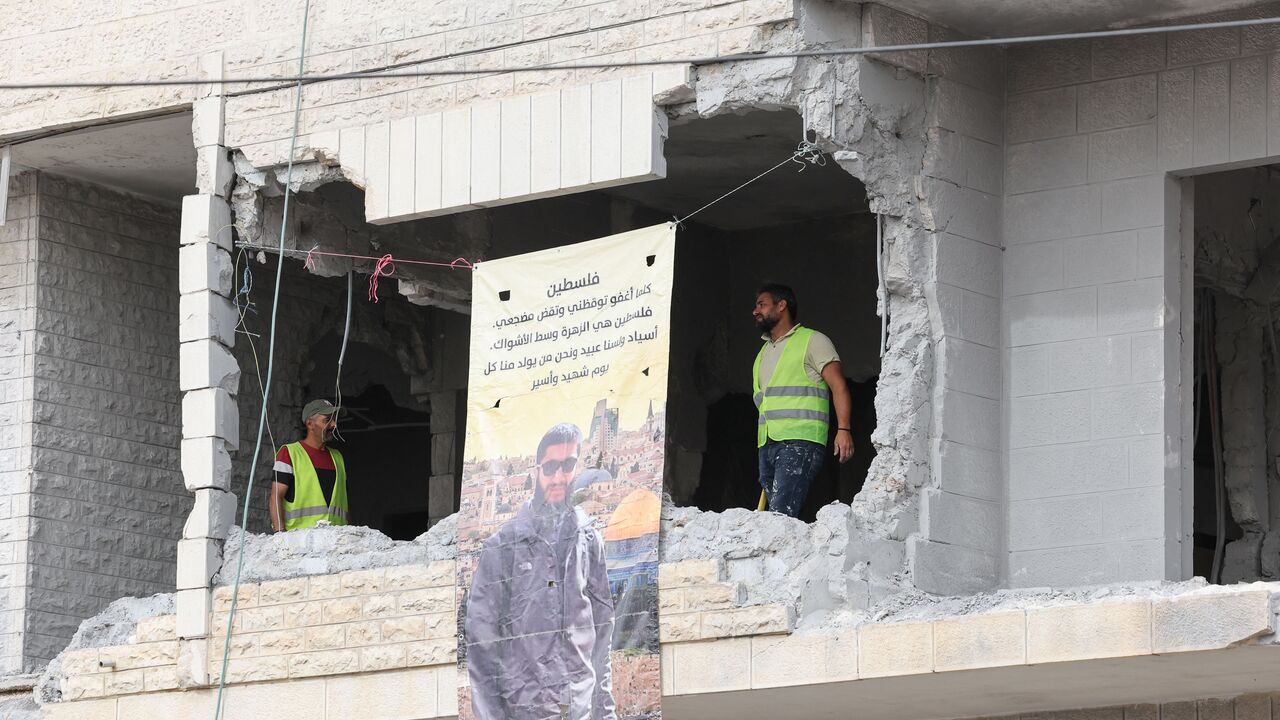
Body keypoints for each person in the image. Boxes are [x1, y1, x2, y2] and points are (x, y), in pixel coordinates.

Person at [465, 423, 616, 720]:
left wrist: (607, 714)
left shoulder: (589, 541)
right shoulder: (502, 548)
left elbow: (602, 636)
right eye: (550, 467)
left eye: (568, 465)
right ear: (537, 470)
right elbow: (482, 649)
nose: (558, 477)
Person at [752, 283, 854, 517]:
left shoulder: (813, 341)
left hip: (800, 442)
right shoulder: (763, 353)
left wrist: (844, 429)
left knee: (781, 516)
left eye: (762, 305)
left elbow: (839, 386)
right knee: (774, 518)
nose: (755, 311)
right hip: (767, 444)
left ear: (782, 305)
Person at [269, 399, 349, 531]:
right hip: (299, 543)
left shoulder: (338, 458)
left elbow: (344, 504)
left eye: (335, 420)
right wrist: (280, 536)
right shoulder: (289, 453)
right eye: (327, 420)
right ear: (310, 423)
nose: (334, 425)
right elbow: (275, 496)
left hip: (336, 544)